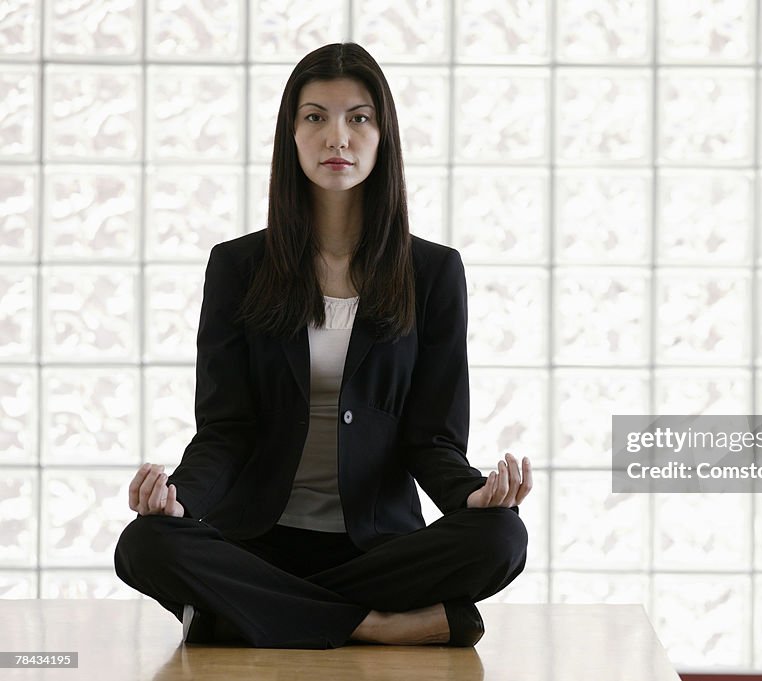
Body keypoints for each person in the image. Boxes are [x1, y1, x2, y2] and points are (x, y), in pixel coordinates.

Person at [113, 42, 531, 649]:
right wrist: (178, 500)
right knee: (145, 543)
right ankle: (375, 624)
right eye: (316, 117)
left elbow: (431, 438)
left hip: (377, 547)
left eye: (358, 118)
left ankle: (242, 613)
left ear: (382, 135)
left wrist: (474, 495)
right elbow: (227, 429)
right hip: (259, 543)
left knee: (502, 538)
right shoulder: (237, 266)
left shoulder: (433, 272)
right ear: (292, 135)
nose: (337, 136)